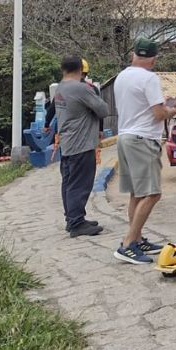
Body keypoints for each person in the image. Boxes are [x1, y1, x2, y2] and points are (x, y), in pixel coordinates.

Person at [113, 38, 176, 264]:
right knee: (152, 193)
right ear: (153, 58)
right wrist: (171, 109)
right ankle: (128, 243)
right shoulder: (150, 78)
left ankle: (138, 239)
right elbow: (158, 114)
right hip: (143, 139)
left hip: (125, 136)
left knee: (137, 193)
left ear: (133, 55)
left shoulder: (122, 76)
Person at [53, 55, 109, 237]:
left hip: (67, 143)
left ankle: (73, 219)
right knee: (80, 184)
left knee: (68, 183)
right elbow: (103, 110)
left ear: (63, 69)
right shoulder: (80, 88)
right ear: (80, 69)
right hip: (81, 144)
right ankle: (77, 223)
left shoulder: (60, 87)